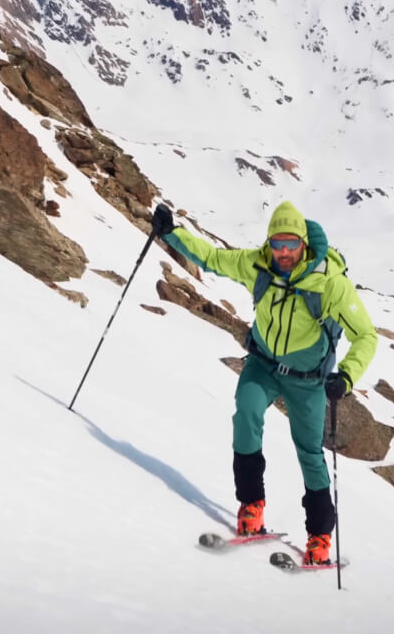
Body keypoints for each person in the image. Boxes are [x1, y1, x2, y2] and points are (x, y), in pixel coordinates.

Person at [151, 201, 378, 564]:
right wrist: (171, 233)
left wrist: (347, 375)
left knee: (309, 453)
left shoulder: (330, 283)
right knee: (246, 415)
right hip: (263, 365)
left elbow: (366, 335)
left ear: (303, 243)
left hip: (307, 380)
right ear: (269, 243)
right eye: (277, 244)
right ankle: (251, 506)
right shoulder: (257, 265)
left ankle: (319, 537)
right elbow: (211, 258)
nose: (283, 253)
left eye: (291, 244)